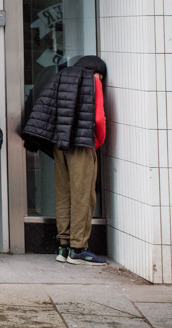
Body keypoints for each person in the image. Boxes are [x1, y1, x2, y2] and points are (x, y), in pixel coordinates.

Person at [21, 55, 108, 265]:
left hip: (60, 144)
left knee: (63, 193)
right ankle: (79, 248)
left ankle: (64, 247)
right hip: (82, 144)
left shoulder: (60, 77)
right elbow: (98, 118)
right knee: (83, 195)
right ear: (96, 72)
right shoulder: (92, 81)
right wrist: (98, 141)